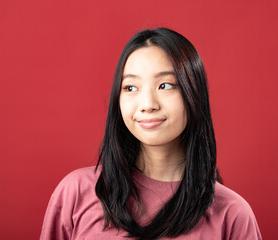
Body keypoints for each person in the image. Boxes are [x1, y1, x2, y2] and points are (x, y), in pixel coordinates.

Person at [40, 28, 262, 240]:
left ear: (194, 94)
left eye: (165, 85)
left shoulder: (232, 214)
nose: (147, 105)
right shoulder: (76, 192)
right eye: (131, 87)